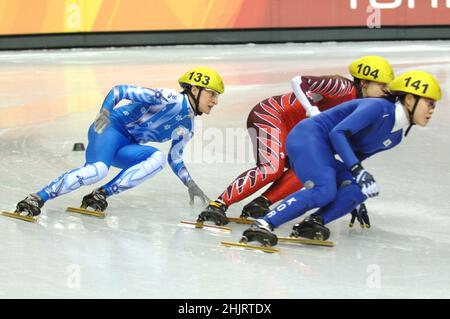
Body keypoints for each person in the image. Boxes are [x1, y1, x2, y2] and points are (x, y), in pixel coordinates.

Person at [239, 70, 441, 246]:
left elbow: (353, 157)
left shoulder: (395, 136)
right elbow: (338, 133)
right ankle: (264, 223)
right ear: (409, 99)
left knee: (359, 189)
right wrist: (356, 170)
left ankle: (313, 223)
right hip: (307, 137)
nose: (432, 110)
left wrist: (351, 198)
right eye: (429, 103)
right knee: (324, 190)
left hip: (323, 148)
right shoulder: (377, 108)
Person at [197, 56, 394, 226]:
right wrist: (312, 111)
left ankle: (261, 203)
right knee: (271, 167)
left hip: (300, 134)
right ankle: (218, 204)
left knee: (311, 168)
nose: (385, 91)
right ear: (364, 83)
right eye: (382, 85)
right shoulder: (342, 87)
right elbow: (299, 81)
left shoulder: (366, 111)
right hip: (272, 114)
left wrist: (354, 199)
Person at [13, 67, 224, 217]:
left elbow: (174, 158)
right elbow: (119, 90)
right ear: (195, 90)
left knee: (157, 158)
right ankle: (37, 198)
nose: (215, 101)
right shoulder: (167, 97)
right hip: (110, 129)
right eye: (212, 94)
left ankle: (100, 194)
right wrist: (105, 112)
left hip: (127, 145)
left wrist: (191, 183)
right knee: (97, 171)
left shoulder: (188, 127)